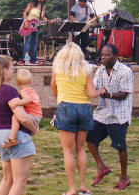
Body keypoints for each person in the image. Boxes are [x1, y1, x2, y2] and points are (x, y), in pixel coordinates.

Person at [50, 42, 104, 195]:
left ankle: (71, 188)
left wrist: (62, 97)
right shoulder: (86, 69)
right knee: (81, 149)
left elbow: (54, 89)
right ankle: (82, 186)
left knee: (68, 151)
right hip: (84, 108)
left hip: (66, 107)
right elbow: (92, 94)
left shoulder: (57, 69)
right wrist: (101, 90)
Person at [0, 55, 38, 195]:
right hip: (15, 136)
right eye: (11, 68)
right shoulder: (9, 91)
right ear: (4, 70)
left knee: (7, 178)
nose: (13, 71)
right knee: (19, 180)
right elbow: (22, 117)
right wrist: (34, 128)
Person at [86, 44, 134, 190]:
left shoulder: (125, 71)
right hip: (102, 113)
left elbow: (124, 94)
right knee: (90, 139)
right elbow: (94, 89)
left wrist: (108, 94)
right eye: (102, 55)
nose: (103, 57)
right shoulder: (100, 71)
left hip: (119, 115)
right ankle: (101, 167)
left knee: (120, 147)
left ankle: (124, 177)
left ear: (115, 56)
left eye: (106, 55)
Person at [2, 69, 42, 148]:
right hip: (37, 115)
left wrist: (16, 103)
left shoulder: (23, 91)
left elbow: (27, 100)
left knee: (15, 117)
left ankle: (12, 138)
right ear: (30, 81)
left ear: (17, 83)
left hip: (33, 115)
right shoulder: (32, 90)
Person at [22, 0, 47, 64]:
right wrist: (26, 22)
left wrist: (48, 20)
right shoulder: (32, 4)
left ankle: (33, 59)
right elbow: (24, 13)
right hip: (29, 24)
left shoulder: (43, 6)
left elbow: (42, 17)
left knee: (35, 42)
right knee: (28, 41)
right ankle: (25, 58)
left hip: (36, 26)